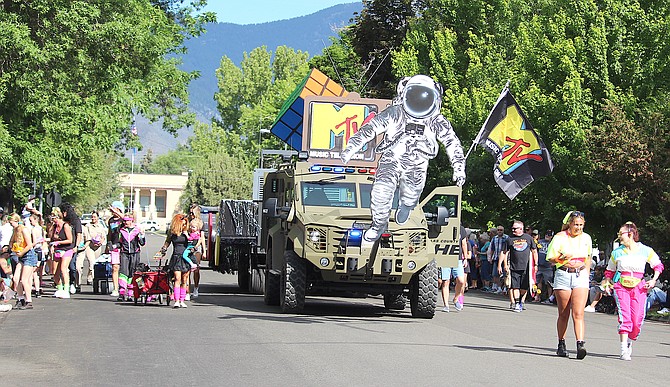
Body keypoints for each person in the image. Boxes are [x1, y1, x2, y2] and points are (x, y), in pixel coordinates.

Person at [601, 222, 664, 361]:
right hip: (621, 286)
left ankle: (630, 341)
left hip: (639, 287)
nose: (619, 237)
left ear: (630, 234)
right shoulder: (616, 252)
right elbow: (609, 271)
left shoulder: (645, 250)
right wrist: (607, 282)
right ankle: (623, 348)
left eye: (621, 234)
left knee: (637, 321)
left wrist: (653, 280)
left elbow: (658, 266)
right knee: (625, 317)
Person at [546, 210, 592, 359]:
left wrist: (587, 274)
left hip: (580, 275)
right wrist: (560, 258)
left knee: (578, 313)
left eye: (581, 225)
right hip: (564, 274)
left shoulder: (586, 238)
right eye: (575, 224)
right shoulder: (560, 237)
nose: (578, 228)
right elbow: (550, 258)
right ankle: (561, 343)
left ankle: (580, 344)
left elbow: (588, 257)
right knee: (564, 313)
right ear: (569, 224)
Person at [499, 221, 538, 312]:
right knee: (515, 286)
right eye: (512, 228)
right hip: (514, 267)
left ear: (521, 229)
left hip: (526, 268)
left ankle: (520, 300)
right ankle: (516, 303)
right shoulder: (510, 239)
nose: (513, 230)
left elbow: (534, 251)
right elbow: (504, 252)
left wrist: (536, 264)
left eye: (515, 228)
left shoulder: (528, 238)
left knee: (524, 288)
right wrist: (501, 264)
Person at [160, 213, 191, 308]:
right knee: (177, 278)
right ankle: (176, 300)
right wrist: (163, 250)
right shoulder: (172, 233)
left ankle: (182, 300)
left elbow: (193, 242)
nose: (184, 225)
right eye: (183, 223)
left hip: (186, 257)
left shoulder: (188, 232)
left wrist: (187, 235)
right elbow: (167, 242)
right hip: (176, 256)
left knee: (185, 279)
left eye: (186, 223)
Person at [8, 213, 37, 309]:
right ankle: (21, 299)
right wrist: (12, 247)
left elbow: (29, 245)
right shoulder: (15, 231)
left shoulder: (24, 230)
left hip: (28, 255)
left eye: (11, 223)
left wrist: (21, 252)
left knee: (24, 280)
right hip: (21, 256)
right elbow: (11, 241)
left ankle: (29, 301)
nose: (10, 224)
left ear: (16, 221)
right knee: (16, 278)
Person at [115, 213, 145, 301]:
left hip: (135, 253)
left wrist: (142, 235)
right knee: (123, 273)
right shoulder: (121, 230)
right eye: (124, 220)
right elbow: (119, 243)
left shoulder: (137, 230)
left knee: (133, 273)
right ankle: (121, 292)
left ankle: (130, 294)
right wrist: (114, 246)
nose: (125, 222)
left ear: (132, 220)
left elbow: (142, 243)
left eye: (127, 220)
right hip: (124, 253)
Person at [438, 225, 468, 312]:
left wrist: (465, 258)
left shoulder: (461, 229)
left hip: (457, 258)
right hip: (445, 256)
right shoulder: (443, 226)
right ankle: (446, 305)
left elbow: (463, 243)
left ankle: (456, 298)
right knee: (445, 281)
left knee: (461, 281)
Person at [47, 207, 75, 299]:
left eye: (54, 218)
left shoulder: (65, 226)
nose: (53, 220)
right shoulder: (54, 227)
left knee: (63, 269)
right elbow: (51, 239)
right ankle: (60, 288)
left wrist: (58, 242)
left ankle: (66, 290)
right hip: (57, 250)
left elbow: (70, 240)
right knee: (55, 273)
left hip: (67, 249)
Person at [61, 202, 83, 294]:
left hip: (72, 246)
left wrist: (76, 246)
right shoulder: (63, 221)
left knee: (72, 266)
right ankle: (64, 283)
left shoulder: (76, 221)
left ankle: (73, 283)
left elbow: (79, 234)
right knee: (64, 267)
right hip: (63, 247)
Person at [82, 211, 107, 285]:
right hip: (89, 247)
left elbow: (103, 236)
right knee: (91, 262)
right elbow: (86, 236)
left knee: (95, 264)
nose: (93, 218)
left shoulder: (101, 226)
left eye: (94, 217)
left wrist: (101, 242)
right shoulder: (88, 226)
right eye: (92, 217)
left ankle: (91, 276)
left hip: (98, 248)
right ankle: (92, 279)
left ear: (98, 218)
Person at [187, 204, 206, 298]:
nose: (191, 214)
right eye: (190, 212)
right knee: (187, 270)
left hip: (197, 248)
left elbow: (202, 238)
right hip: (188, 247)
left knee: (196, 269)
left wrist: (204, 251)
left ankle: (196, 287)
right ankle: (187, 291)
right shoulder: (188, 222)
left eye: (192, 213)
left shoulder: (201, 223)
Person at [107, 201, 125, 298]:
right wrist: (108, 243)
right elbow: (109, 233)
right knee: (115, 267)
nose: (113, 212)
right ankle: (115, 288)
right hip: (114, 246)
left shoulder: (123, 220)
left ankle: (124, 287)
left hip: (123, 246)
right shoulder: (111, 221)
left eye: (115, 209)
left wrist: (116, 211)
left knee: (124, 268)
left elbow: (124, 217)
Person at [28, 214, 46, 298]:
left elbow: (34, 241)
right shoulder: (41, 229)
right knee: (36, 272)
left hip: (35, 250)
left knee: (32, 272)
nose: (30, 222)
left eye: (31, 220)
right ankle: (37, 289)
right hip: (40, 251)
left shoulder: (34, 229)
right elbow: (43, 240)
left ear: (35, 220)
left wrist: (29, 246)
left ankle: (31, 288)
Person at [488, 225, 508, 294]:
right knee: (495, 274)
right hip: (496, 258)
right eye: (498, 230)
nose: (499, 231)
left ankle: (505, 288)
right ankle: (498, 287)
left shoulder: (506, 238)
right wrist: (490, 257)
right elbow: (492, 249)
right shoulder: (494, 238)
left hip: (504, 259)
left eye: (501, 230)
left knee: (505, 274)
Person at [536, 230, 555, 304]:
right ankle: (537, 296)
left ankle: (549, 298)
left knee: (549, 283)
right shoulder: (540, 242)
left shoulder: (553, 243)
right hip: (539, 265)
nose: (547, 236)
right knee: (538, 282)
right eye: (547, 234)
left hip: (548, 266)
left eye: (549, 235)